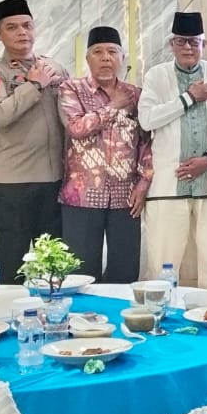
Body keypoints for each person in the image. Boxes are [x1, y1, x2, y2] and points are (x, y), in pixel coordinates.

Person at [137, 12, 207, 292]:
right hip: (168, 187)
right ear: (172, 44)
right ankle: (161, 316)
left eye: (194, 42)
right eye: (181, 41)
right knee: (162, 269)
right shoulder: (157, 76)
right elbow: (147, 120)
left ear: (204, 44)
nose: (188, 47)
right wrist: (189, 97)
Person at [0, 0, 69, 284]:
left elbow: (70, 117)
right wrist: (34, 85)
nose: (22, 32)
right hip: (12, 184)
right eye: (12, 27)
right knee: (13, 261)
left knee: (52, 264)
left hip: (53, 180)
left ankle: (52, 309)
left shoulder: (55, 67)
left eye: (27, 25)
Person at [57, 26, 151, 282]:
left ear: (122, 58)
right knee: (80, 274)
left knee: (126, 272)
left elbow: (146, 142)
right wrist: (114, 106)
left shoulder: (136, 94)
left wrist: (144, 182)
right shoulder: (71, 89)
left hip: (126, 197)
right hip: (82, 196)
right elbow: (76, 128)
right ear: (88, 59)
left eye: (112, 52)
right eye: (98, 52)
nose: (105, 58)